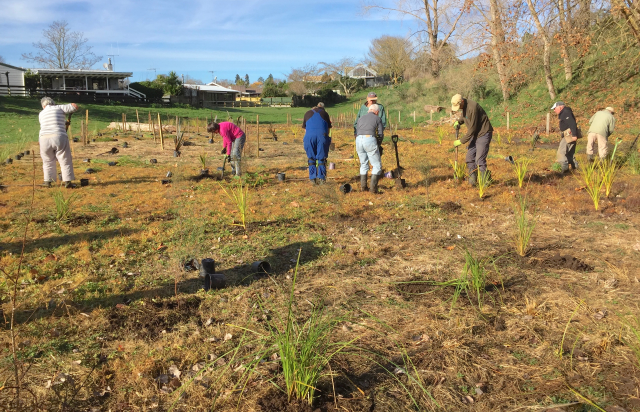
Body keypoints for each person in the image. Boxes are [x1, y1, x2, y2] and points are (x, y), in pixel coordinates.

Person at [451, 94, 493, 185]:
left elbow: (472, 129)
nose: (458, 108)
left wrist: (461, 141)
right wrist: (458, 121)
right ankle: (472, 181)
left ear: (461, 101)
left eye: (458, 106)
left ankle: (485, 182)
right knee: (470, 158)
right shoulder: (464, 106)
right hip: (475, 135)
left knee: (479, 160)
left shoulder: (472, 107)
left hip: (483, 133)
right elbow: (465, 116)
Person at [38, 97, 79, 188]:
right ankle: (68, 182)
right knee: (65, 159)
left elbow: (49, 123)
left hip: (44, 138)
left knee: (47, 160)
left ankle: (48, 182)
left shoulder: (41, 113)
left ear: (43, 106)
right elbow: (75, 106)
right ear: (53, 103)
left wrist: (64, 122)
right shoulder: (59, 108)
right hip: (59, 136)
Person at [355, 104, 385, 193]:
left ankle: (363, 188)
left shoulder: (360, 118)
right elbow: (380, 134)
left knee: (363, 164)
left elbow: (357, 130)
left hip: (358, 140)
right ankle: (373, 189)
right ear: (376, 111)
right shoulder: (377, 119)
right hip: (369, 139)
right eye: (378, 112)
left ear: (369, 110)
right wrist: (378, 144)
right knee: (376, 165)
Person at [302, 102, 331, 184]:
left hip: (309, 137)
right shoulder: (324, 113)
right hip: (322, 136)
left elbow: (305, 129)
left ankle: (312, 178)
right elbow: (328, 129)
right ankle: (321, 178)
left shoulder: (307, 113)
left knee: (311, 158)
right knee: (321, 158)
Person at [551, 101, 580, 173]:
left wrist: (574, 135)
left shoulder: (566, 112)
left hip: (569, 135)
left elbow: (572, 123)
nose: (554, 110)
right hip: (569, 134)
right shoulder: (566, 112)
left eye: (555, 108)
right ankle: (575, 167)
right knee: (569, 152)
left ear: (560, 107)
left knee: (561, 151)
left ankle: (565, 169)